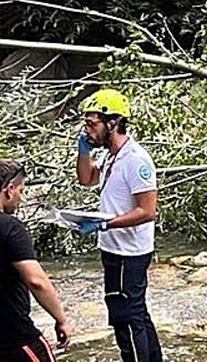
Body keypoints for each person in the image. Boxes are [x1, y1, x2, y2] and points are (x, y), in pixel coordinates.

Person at [75, 89, 162, 362]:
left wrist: (105, 224)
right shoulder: (112, 155)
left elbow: (148, 211)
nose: (88, 130)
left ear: (112, 123)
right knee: (136, 312)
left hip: (129, 252)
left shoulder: (136, 159)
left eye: (92, 124)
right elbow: (86, 178)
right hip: (113, 248)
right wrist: (83, 151)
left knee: (126, 317)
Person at [1, 159, 71, 362]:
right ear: (9, 189)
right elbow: (36, 281)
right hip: (14, 336)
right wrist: (61, 319)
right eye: (21, 191)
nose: (20, 199)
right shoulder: (10, 228)